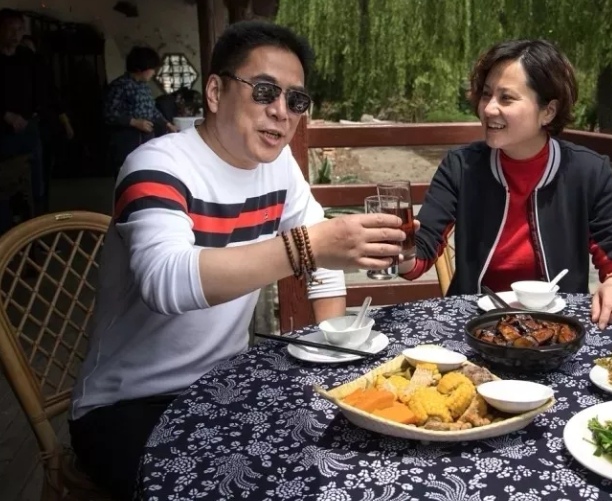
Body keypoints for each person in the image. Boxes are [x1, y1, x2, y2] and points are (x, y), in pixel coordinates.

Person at [69, 21, 407, 500]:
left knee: (336, 461)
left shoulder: (279, 166)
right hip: (129, 402)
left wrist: (335, 350)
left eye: (296, 100)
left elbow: (323, 260)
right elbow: (165, 282)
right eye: (264, 91)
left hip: (226, 384)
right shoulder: (156, 164)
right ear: (215, 91)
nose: (281, 111)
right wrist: (305, 247)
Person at [400, 39, 612, 328]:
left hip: (557, 328)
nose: (489, 109)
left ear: (548, 111)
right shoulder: (461, 167)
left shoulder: (588, 172)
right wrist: (398, 251)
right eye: (486, 94)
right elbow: (419, 256)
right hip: (475, 325)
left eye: (506, 98)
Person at [0, 9, 73, 223]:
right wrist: (5, 115)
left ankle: (36, 231)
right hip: (3, 133)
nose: (16, 34)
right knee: (5, 189)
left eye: (19, 29)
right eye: (10, 29)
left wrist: (64, 121)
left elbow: (48, 90)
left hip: (30, 128)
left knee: (35, 187)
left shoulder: (28, 58)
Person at [103, 45, 178, 175]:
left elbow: (152, 110)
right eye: (152, 69)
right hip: (126, 140)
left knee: (145, 171)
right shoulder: (120, 85)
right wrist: (135, 122)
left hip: (146, 138)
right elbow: (109, 114)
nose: (154, 72)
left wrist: (167, 124)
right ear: (140, 68)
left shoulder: (144, 87)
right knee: (127, 173)